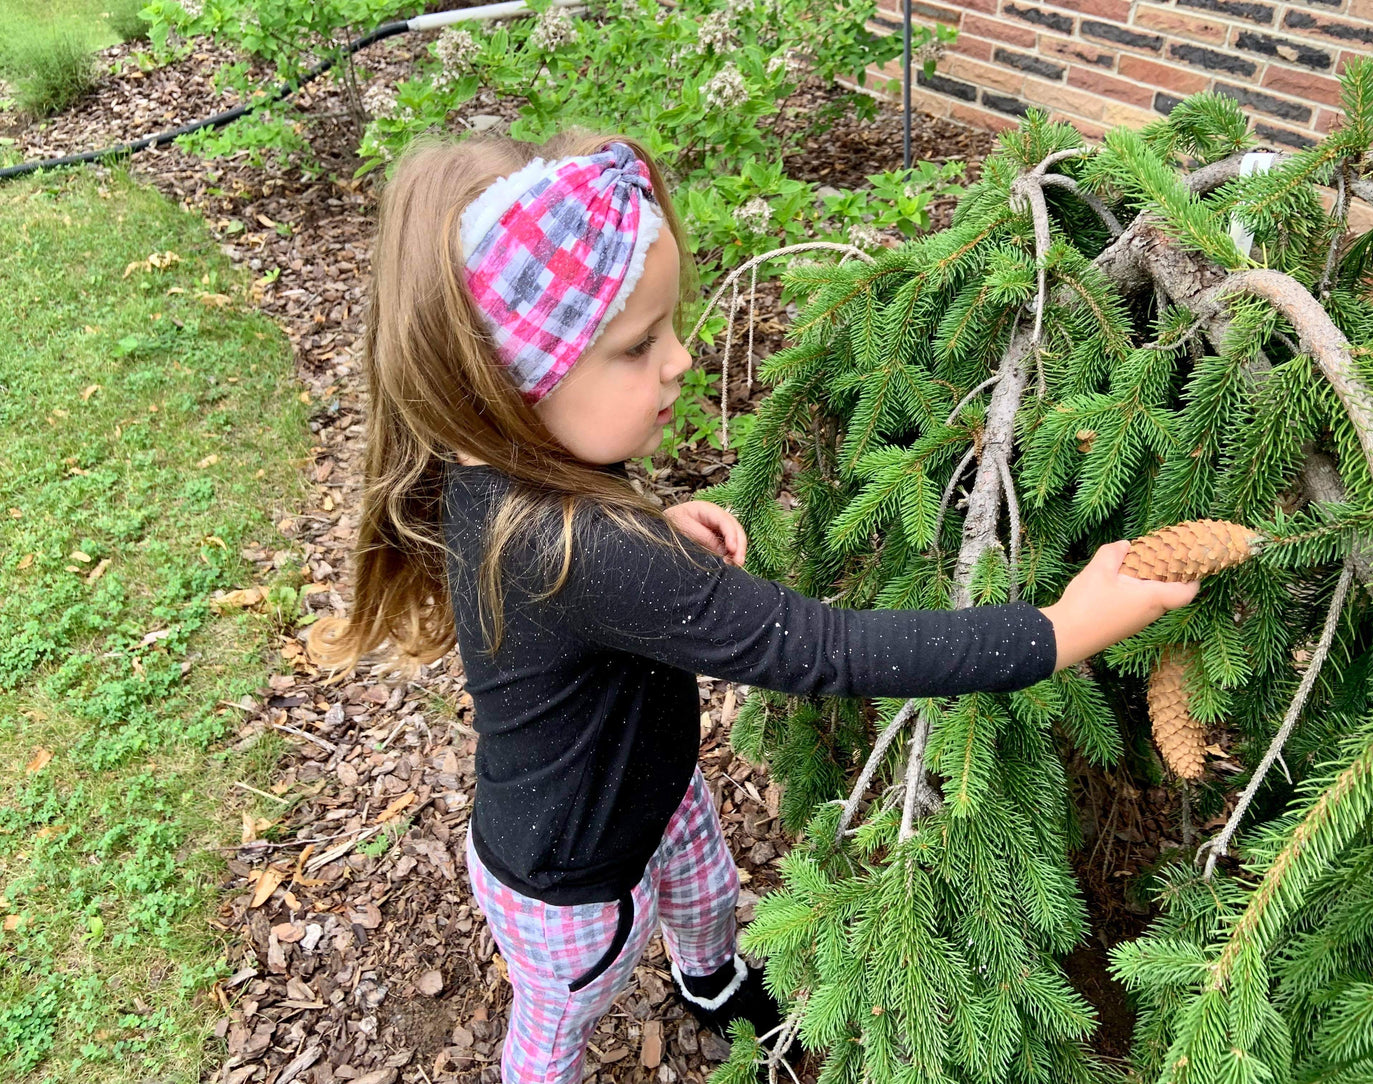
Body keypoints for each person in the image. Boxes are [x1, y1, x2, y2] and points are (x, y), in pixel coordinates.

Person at [309, 129, 1198, 1083]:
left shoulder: (502, 468)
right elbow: (823, 648)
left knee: (707, 891)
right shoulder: (585, 552)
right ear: (510, 384)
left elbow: (586, 568)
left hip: (652, 787)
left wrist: (655, 519)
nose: (682, 359)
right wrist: (1057, 631)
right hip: (572, 880)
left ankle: (710, 981)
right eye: (638, 345)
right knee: (559, 1020)